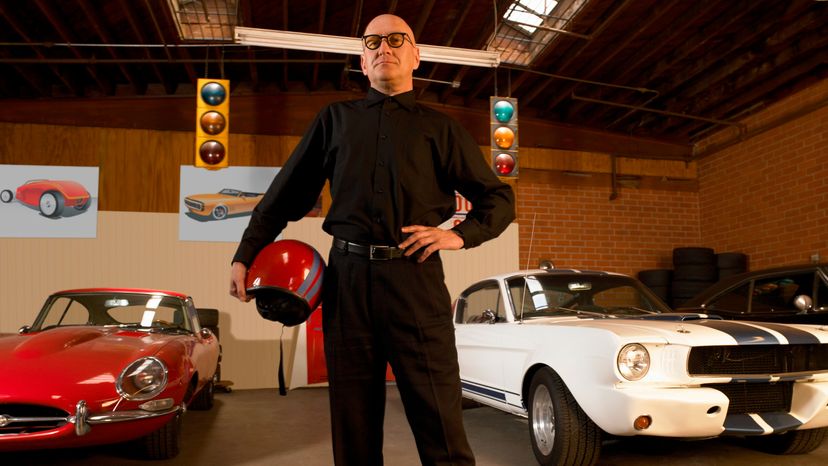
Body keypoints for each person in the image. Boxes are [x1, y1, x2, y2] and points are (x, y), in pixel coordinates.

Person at [229, 13, 515, 466]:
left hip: (415, 283)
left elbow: (497, 199)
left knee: (441, 426)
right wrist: (246, 254)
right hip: (347, 285)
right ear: (363, 61)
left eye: (397, 39)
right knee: (354, 431)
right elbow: (282, 196)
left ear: (416, 56)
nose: (385, 46)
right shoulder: (334, 121)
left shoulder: (441, 130)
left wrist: (458, 237)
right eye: (373, 41)